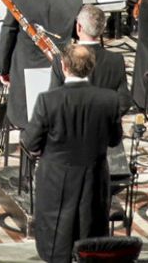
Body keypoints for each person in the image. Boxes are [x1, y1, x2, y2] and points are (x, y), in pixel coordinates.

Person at [21, 43, 124, 263]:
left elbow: (30, 142)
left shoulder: (48, 100)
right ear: (91, 67)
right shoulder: (109, 100)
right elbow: (115, 140)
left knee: (56, 241)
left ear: (64, 66)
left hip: (56, 182)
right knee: (91, 238)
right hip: (94, 179)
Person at [0, 0, 82, 128]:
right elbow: (77, 35)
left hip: (23, 77)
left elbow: (7, 37)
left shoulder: (18, 0)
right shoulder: (74, 0)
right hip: (59, 74)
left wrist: (3, 71)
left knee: (27, 128)